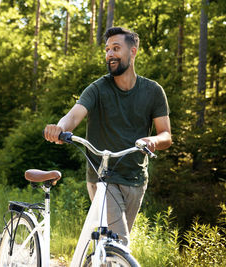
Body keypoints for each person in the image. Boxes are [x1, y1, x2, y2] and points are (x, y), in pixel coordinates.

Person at [44, 27, 172, 246]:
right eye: (107, 50)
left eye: (115, 48)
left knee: (110, 248)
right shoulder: (97, 89)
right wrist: (60, 127)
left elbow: (166, 135)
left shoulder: (153, 91)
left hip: (135, 178)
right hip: (102, 176)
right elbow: (73, 116)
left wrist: (153, 141)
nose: (109, 54)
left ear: (133, 51)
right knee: (119, 242)